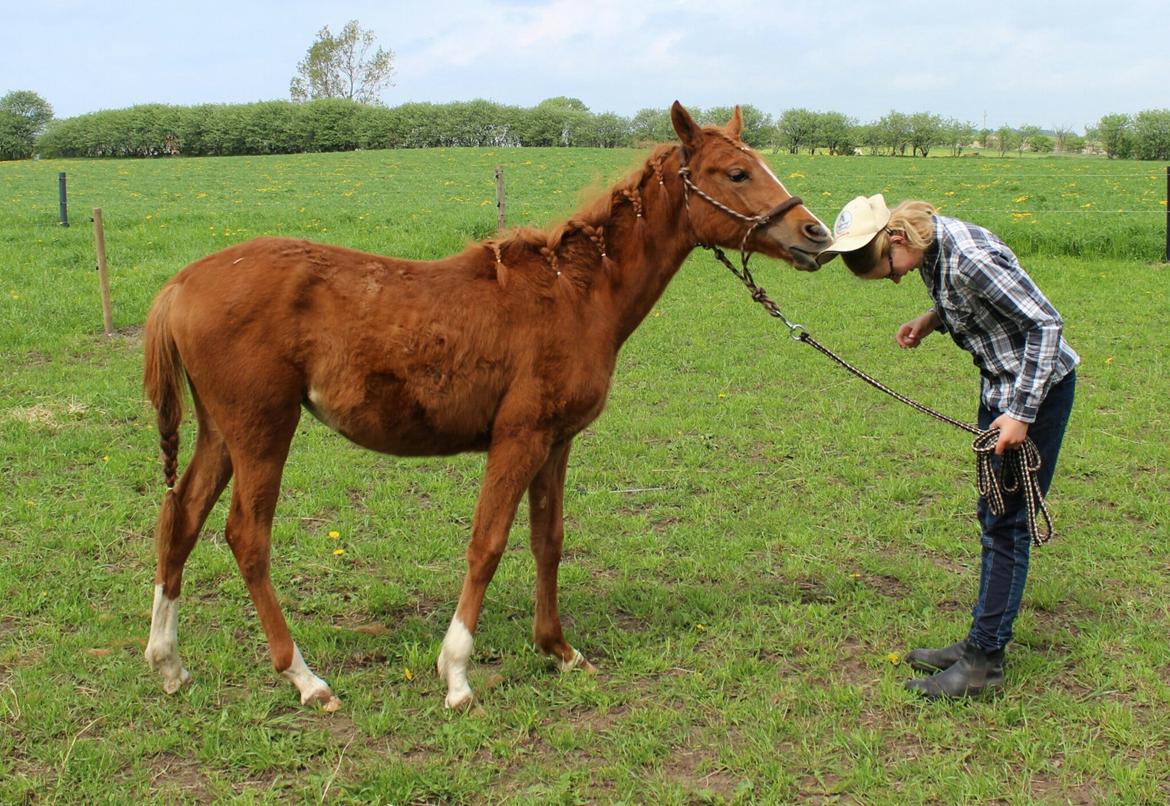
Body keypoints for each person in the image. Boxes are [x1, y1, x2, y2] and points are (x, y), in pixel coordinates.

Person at [816, 194, 1079, 700]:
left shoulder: (969, 257)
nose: (894, 278)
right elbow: (964, 297)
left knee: (1008, 525)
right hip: (1002, 390)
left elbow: (1046, 324)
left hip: (1033, 394)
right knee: (994, 517)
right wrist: (930, 320)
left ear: (896, 239)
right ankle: (980, 641)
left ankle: (983, 665)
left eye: (888, 270)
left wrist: (1022, 414)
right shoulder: (930, 246)